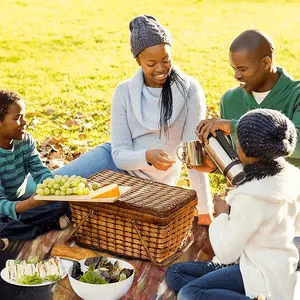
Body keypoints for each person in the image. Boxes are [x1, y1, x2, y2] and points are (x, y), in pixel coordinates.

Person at [40, 15, 212, 224]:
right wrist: (147, 156)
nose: (160, 68)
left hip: (151, 186)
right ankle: (10, 217)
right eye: (151, 63)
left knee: (79, 210)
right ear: (138, 61)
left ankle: (54, 219)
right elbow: (119, 154)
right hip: (113, 162)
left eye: (166, 60)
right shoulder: (124, 92)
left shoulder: (190, 91)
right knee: (46, 189)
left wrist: (205, 212)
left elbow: (193, 158)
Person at [166, 108, 300, 300]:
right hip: (273, 267)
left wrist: (222, 215)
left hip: (260, 276)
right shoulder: (291, 178)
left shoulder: (251, 197)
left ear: (244, 151)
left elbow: (226, 252)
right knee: (175, 273)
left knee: (189, 293)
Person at [195, 29, 300, 172]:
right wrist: (215, 167)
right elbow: (239, 162)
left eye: (242, 69)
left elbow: (296, 143)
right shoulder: (230, 100)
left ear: (266, 63)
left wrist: (235, 127)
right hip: (249, 190)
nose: (236, 75)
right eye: (234, 68)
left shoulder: (296, 95)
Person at [0, 90, 70, 240]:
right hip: (5, 207)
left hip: (20, 202)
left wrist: (53, 189)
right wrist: (30, 204)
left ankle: (18, 229)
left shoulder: (25, 141)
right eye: (17, 118)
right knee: (2, 224)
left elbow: (40, 172)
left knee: (62, 204)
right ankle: (44, 226)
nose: (25, 122)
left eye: (24, 116)